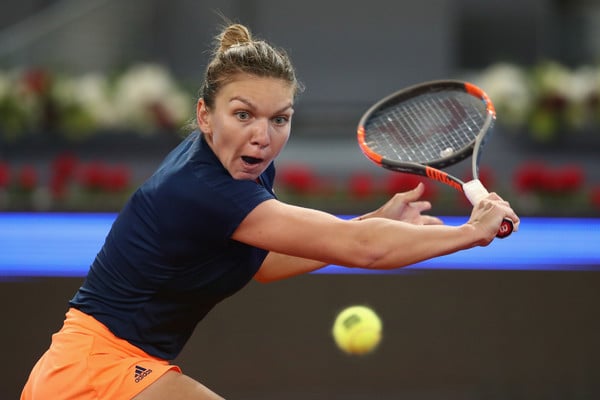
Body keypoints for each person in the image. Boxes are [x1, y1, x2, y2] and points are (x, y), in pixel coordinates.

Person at [21, 22, 520, 400]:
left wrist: (375, 221)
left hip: (111, 368)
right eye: (243, 115)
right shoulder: (202, 189)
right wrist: (470, 232)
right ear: (204, 116)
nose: (263, 135)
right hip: (91, 373)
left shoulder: (246, 168)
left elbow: (266, 264)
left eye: (279, 119)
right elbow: (362, 252)